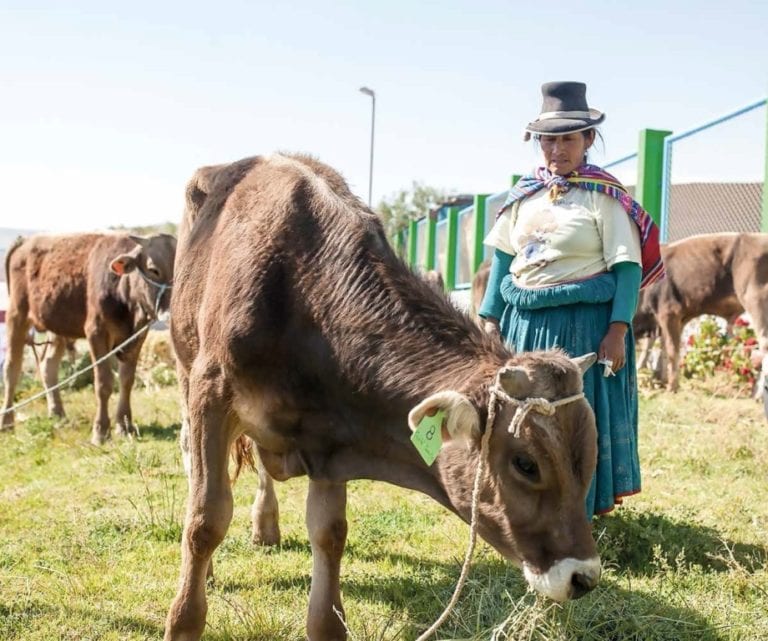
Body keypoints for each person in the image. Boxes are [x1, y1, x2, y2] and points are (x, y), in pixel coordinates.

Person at [478, 81, 664, 517]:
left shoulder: (606, 198)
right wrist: (490, 318)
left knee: (577, 418)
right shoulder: (524, 196)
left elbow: (628, 268)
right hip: (524, 325)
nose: (557, 149)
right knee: (523, 418)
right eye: (549, 139)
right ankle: (523, 503)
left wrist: (618, 329)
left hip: (584, 327)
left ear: (588, 140)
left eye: (567, 138)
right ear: (537, 142)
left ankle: (584, 507)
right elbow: (503, 260)